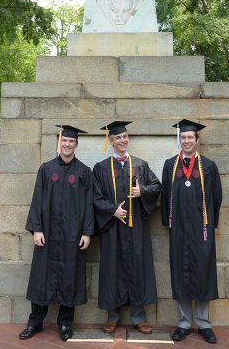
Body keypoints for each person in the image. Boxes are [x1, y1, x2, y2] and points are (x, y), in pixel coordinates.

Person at [19, 125, 94, 342]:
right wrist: (37, 229)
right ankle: (35, 323)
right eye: (64, 141)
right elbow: (36, 200)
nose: (68, 145)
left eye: (71, 142)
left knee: (70, 279)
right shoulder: (46, 169)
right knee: (41, 278)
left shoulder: (84, 173)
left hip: (73, 236)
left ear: (76, 144)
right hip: (48, 235)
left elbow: (89, 205)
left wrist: (87, 232)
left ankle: (65, 324)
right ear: (59, 143)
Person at [93, 121, 161, 335]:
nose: (122, 140)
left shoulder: (140, 164)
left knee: (137, 267)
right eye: (117, 138)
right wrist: (112, 210)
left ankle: (138, 317)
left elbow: (156, 186)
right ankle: (112, 317)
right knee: (112, 268)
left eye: (124, 136)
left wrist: (143, 192)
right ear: (111, 142)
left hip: (135, 228)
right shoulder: (101, 168)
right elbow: (95, 197)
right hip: (113, 227)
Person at [161, 119, 222, 344]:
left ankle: (204, 324)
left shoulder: (208, 166)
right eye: (183, 137)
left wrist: (210, 223)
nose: (187, 141)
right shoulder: (170, 165)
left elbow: (216, 198)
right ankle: (184, 323)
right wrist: (168, 223)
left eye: (190, 138)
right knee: (181, 275)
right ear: (180, 139)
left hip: (201, 230)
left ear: (197, 140)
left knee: (203, 274)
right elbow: (165, 195)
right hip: (178, 230)